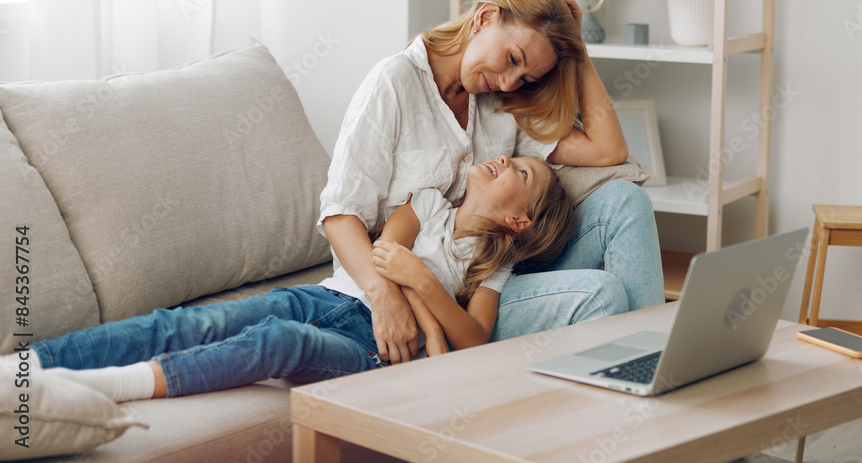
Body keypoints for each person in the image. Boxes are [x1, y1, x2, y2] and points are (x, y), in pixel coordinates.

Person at [11, 154, 573, 401]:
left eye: (521, 171)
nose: (505, 160)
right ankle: (27, 368)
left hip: (372, 349)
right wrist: (426, 311)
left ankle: (107, 387)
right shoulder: (426, 202)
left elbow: (473, 341)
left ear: (518, 218)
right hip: (325, 297)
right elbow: (383, 257)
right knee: (190, 323)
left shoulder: (495, 265)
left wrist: (421, 283)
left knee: (281, 344)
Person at [320, 0, 665, 366]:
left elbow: (608, 151)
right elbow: (339, 213)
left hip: (486, 281)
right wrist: (385, 299)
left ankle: (648, 367)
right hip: (424, 297)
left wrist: (577, 50)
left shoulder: (501, 101)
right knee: (600, 293)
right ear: (485, 17)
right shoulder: (395, 81)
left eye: (525, 78)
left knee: (625, 200)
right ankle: (641, 369)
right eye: (513, 59)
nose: (507, 82)